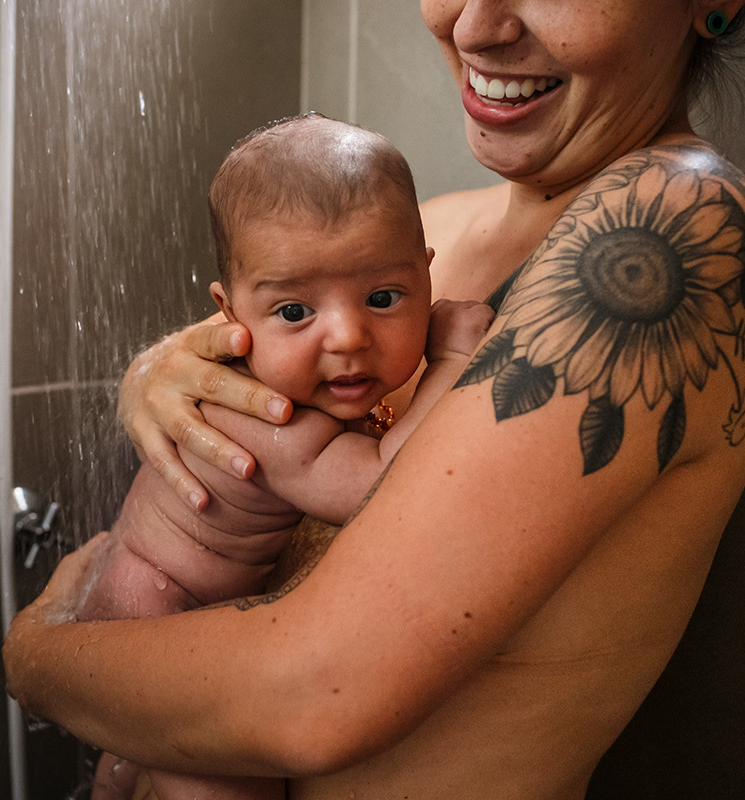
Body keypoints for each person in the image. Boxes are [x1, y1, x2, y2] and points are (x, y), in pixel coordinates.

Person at [5, 2, 745, 798]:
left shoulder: (668, 229)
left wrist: (37, 651)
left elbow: (313, 698)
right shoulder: (417, 239)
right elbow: (248, 352)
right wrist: (156, 371)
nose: (474, 24)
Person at [76, 114, 495, 800]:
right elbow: (382, 487)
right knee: (233, 782)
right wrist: (450, 358)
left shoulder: (282, 382)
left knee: (147, 759)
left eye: (383, 299)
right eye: (296, 312)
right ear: (229, 314)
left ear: (427, 276)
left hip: (151, 594)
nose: (348, 338)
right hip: (155, 611)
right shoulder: (272, 421)